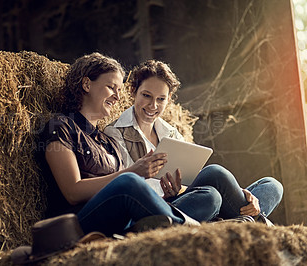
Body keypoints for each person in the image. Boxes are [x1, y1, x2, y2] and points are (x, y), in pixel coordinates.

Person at [35, 53, 223, 237]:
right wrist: (133, 172)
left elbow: (130, 197)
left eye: (119, 90)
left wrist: (165, 197)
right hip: (81, 223)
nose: (117, 97)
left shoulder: (106, 141)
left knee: (209, 195)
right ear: (86, 84)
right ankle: (191, 229)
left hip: (124, 222)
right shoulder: (61, 126)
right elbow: (72, 192)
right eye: (111, 87)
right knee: (128, 182)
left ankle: (155, 228)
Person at [104, 60, 283, 223]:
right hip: (158, 208)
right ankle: (257, 223)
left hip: (182, 199)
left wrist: (237, 191)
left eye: (161, 99)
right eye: (146, 96)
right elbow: (124, 188)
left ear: (169, 99)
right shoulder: (115, 132)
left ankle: (245, 221)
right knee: (212, 188)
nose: (153, 106)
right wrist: (170, 194)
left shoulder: (170, 132)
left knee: (272, 186)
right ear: (133, 91)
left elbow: (190, 181)